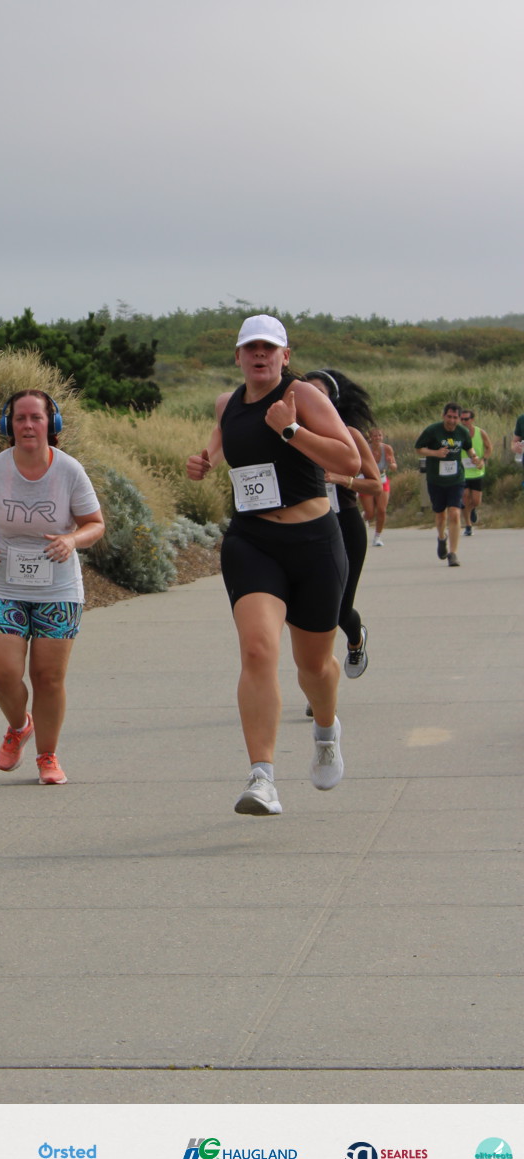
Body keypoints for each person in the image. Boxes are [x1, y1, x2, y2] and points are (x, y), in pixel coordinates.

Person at [186, 315, 360, 816]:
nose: (259, 355)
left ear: (285, 356)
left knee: (314, 667)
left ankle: (325, 730)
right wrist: (204, 462)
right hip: (253, 541)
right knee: (258, 650)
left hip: (314, 543)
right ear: (238, 356)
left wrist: (290, 429)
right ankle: (262, 777)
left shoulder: (301, 396)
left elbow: (349, 462)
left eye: (269, 348)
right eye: (250, 348)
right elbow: (221, 443)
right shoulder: (228, 404)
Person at [0, 390, 105, 785]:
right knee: (2, 673)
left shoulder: (69, 471)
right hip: (3, 584)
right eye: (20, 418)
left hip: (58, 589)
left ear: (51, 423)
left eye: (35, 417)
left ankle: (47, 756)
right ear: (8, 425)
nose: (27, 425)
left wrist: (71, 540)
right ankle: (19, 725)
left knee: (47, 678)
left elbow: (95, 524)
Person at [302, 370, 382, 682]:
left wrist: (341, 478)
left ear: (332, 401)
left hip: (345, 525)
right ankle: (318, 684)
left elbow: (374, 484)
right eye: (306, 394)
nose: (312, 400)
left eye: (319, 394)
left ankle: (356, 639)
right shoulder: (291, 435)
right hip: (306, 525)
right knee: (310, 613)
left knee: (338, 610)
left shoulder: (349, 434)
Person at [415, 403, 479, 568]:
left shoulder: (462, 432)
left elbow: (469, 448)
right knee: (440, 516)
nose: (452, 420)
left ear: (459, 418)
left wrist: (474, 457)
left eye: (455, 418)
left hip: (456, 479)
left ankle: (453, 553)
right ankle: (441, 538)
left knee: (455, 513)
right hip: (436, 480)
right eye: (449, 417)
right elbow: (419, 449)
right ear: (443, 416)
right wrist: (435, 453)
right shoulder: (432, 431)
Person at [362, 428, 397, 546]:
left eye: (380, 435)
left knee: (382, 510)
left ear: (382, 437)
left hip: (382, 479)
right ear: (370, 438)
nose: (377, 438)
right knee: (370, 513)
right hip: (367, 480)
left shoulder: (387, 449)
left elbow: (394, 467)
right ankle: (364, 516)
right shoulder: (365, 448)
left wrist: (391, 464)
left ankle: (377, 537)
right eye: (375, 436)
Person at [459, 410, 492, 536]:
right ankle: (468, 526)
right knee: (465, 497)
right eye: (462, 419)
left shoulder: (480, 432)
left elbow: (489, 447)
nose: (464, 422)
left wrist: (483, 460)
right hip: (462, 472)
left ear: (472, 420)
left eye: (466, 419)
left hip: (477, 471)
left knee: (476, 501)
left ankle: (472, 510)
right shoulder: (457, 434)